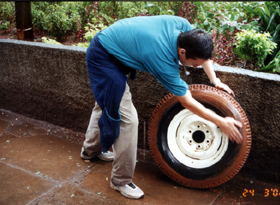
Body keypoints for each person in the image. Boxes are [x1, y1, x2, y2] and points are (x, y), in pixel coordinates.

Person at [80, 15, 243, 199]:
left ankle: (90, 150)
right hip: (103, 57)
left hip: (115, 47)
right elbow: (186, 101)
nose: (195, 68)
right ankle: (120, 180)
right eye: (194, 64)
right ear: (182, 52)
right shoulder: (161, 58)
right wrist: (221, 121)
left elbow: (202, 56)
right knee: (128, 119)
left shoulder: (184, 29)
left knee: (106, 103)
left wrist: (215, 80)